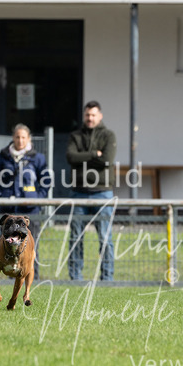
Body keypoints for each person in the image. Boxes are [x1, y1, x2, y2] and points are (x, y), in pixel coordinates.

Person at [0, 123, 51, 277]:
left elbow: (46, 180)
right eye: (17, 137)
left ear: (28, 139)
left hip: (29, 211)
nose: (20, 140)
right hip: (9, 210)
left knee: (31, 245)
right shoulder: (4, 156)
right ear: (13, 138)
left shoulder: (37, 158)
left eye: (23, 137)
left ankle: (32, 277)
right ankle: (10, 277)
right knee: (8, 245)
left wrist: (38, 198)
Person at [65, 100, 116, 282]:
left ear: (100, 116)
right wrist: (95, 154)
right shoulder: (75, 136)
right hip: (79, 191)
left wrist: (83, 159)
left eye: (93, 115)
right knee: (76, 238)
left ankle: (107, 278)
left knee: (105, 238)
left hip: (102, 192)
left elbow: (107, 160)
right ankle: (76, 278)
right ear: (84, 116)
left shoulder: (108, 136)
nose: (90, 118)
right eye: (87, 115)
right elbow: (71, 157)